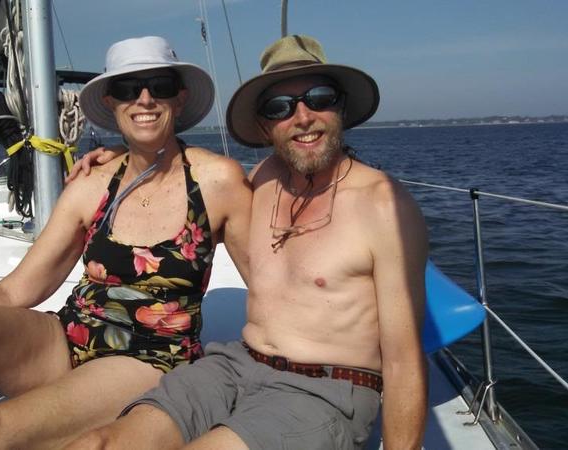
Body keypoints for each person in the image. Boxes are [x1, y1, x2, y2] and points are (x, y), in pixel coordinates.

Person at [0, 36, 251, 450]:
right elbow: (18, 288)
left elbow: (267, 285)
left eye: (160, 85)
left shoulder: (218, 181)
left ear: (181, 97)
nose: (145, 99)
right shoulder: (93, 183)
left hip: (148, 360)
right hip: (69, 337)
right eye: (127, 89)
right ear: (113, 103)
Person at [64, 34, 429, 450]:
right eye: (280, 107)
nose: (303, 116)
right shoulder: (262, 180)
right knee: (97, 443)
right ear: (264, 125)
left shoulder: (382, 205)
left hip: (325, 387)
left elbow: (404, 358)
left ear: (340, 107)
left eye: (320, 97)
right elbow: (182, 175)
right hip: (236, 365)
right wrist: (124, 153)